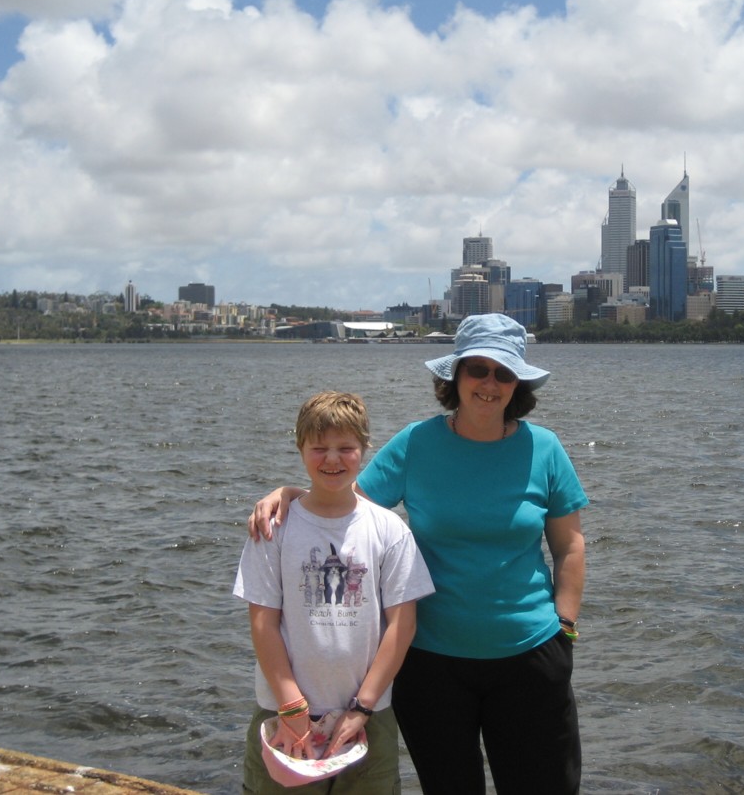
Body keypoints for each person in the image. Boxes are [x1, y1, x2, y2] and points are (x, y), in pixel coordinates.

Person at [250, 315, 588, 794]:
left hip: (530, 655)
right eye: (478, 370)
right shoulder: (417, 442)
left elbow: (569, 544)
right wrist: (290, 493)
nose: (489, 384)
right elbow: (344, 501)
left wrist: (565, 627)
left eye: (503, 373)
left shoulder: (545, 448)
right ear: (455, 376)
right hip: (431, 664)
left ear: (518, 384)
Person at [235, 390, 434, 793]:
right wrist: (291, 705)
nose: (332, 459)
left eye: (346, 448)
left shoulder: (389, 529)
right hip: (284, 712)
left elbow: (402, 625)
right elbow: (263, 623)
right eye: (319, 448)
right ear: (300, 447)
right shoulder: (274, 529)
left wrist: (363, 706)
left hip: (368, 715)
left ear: (364, 449)